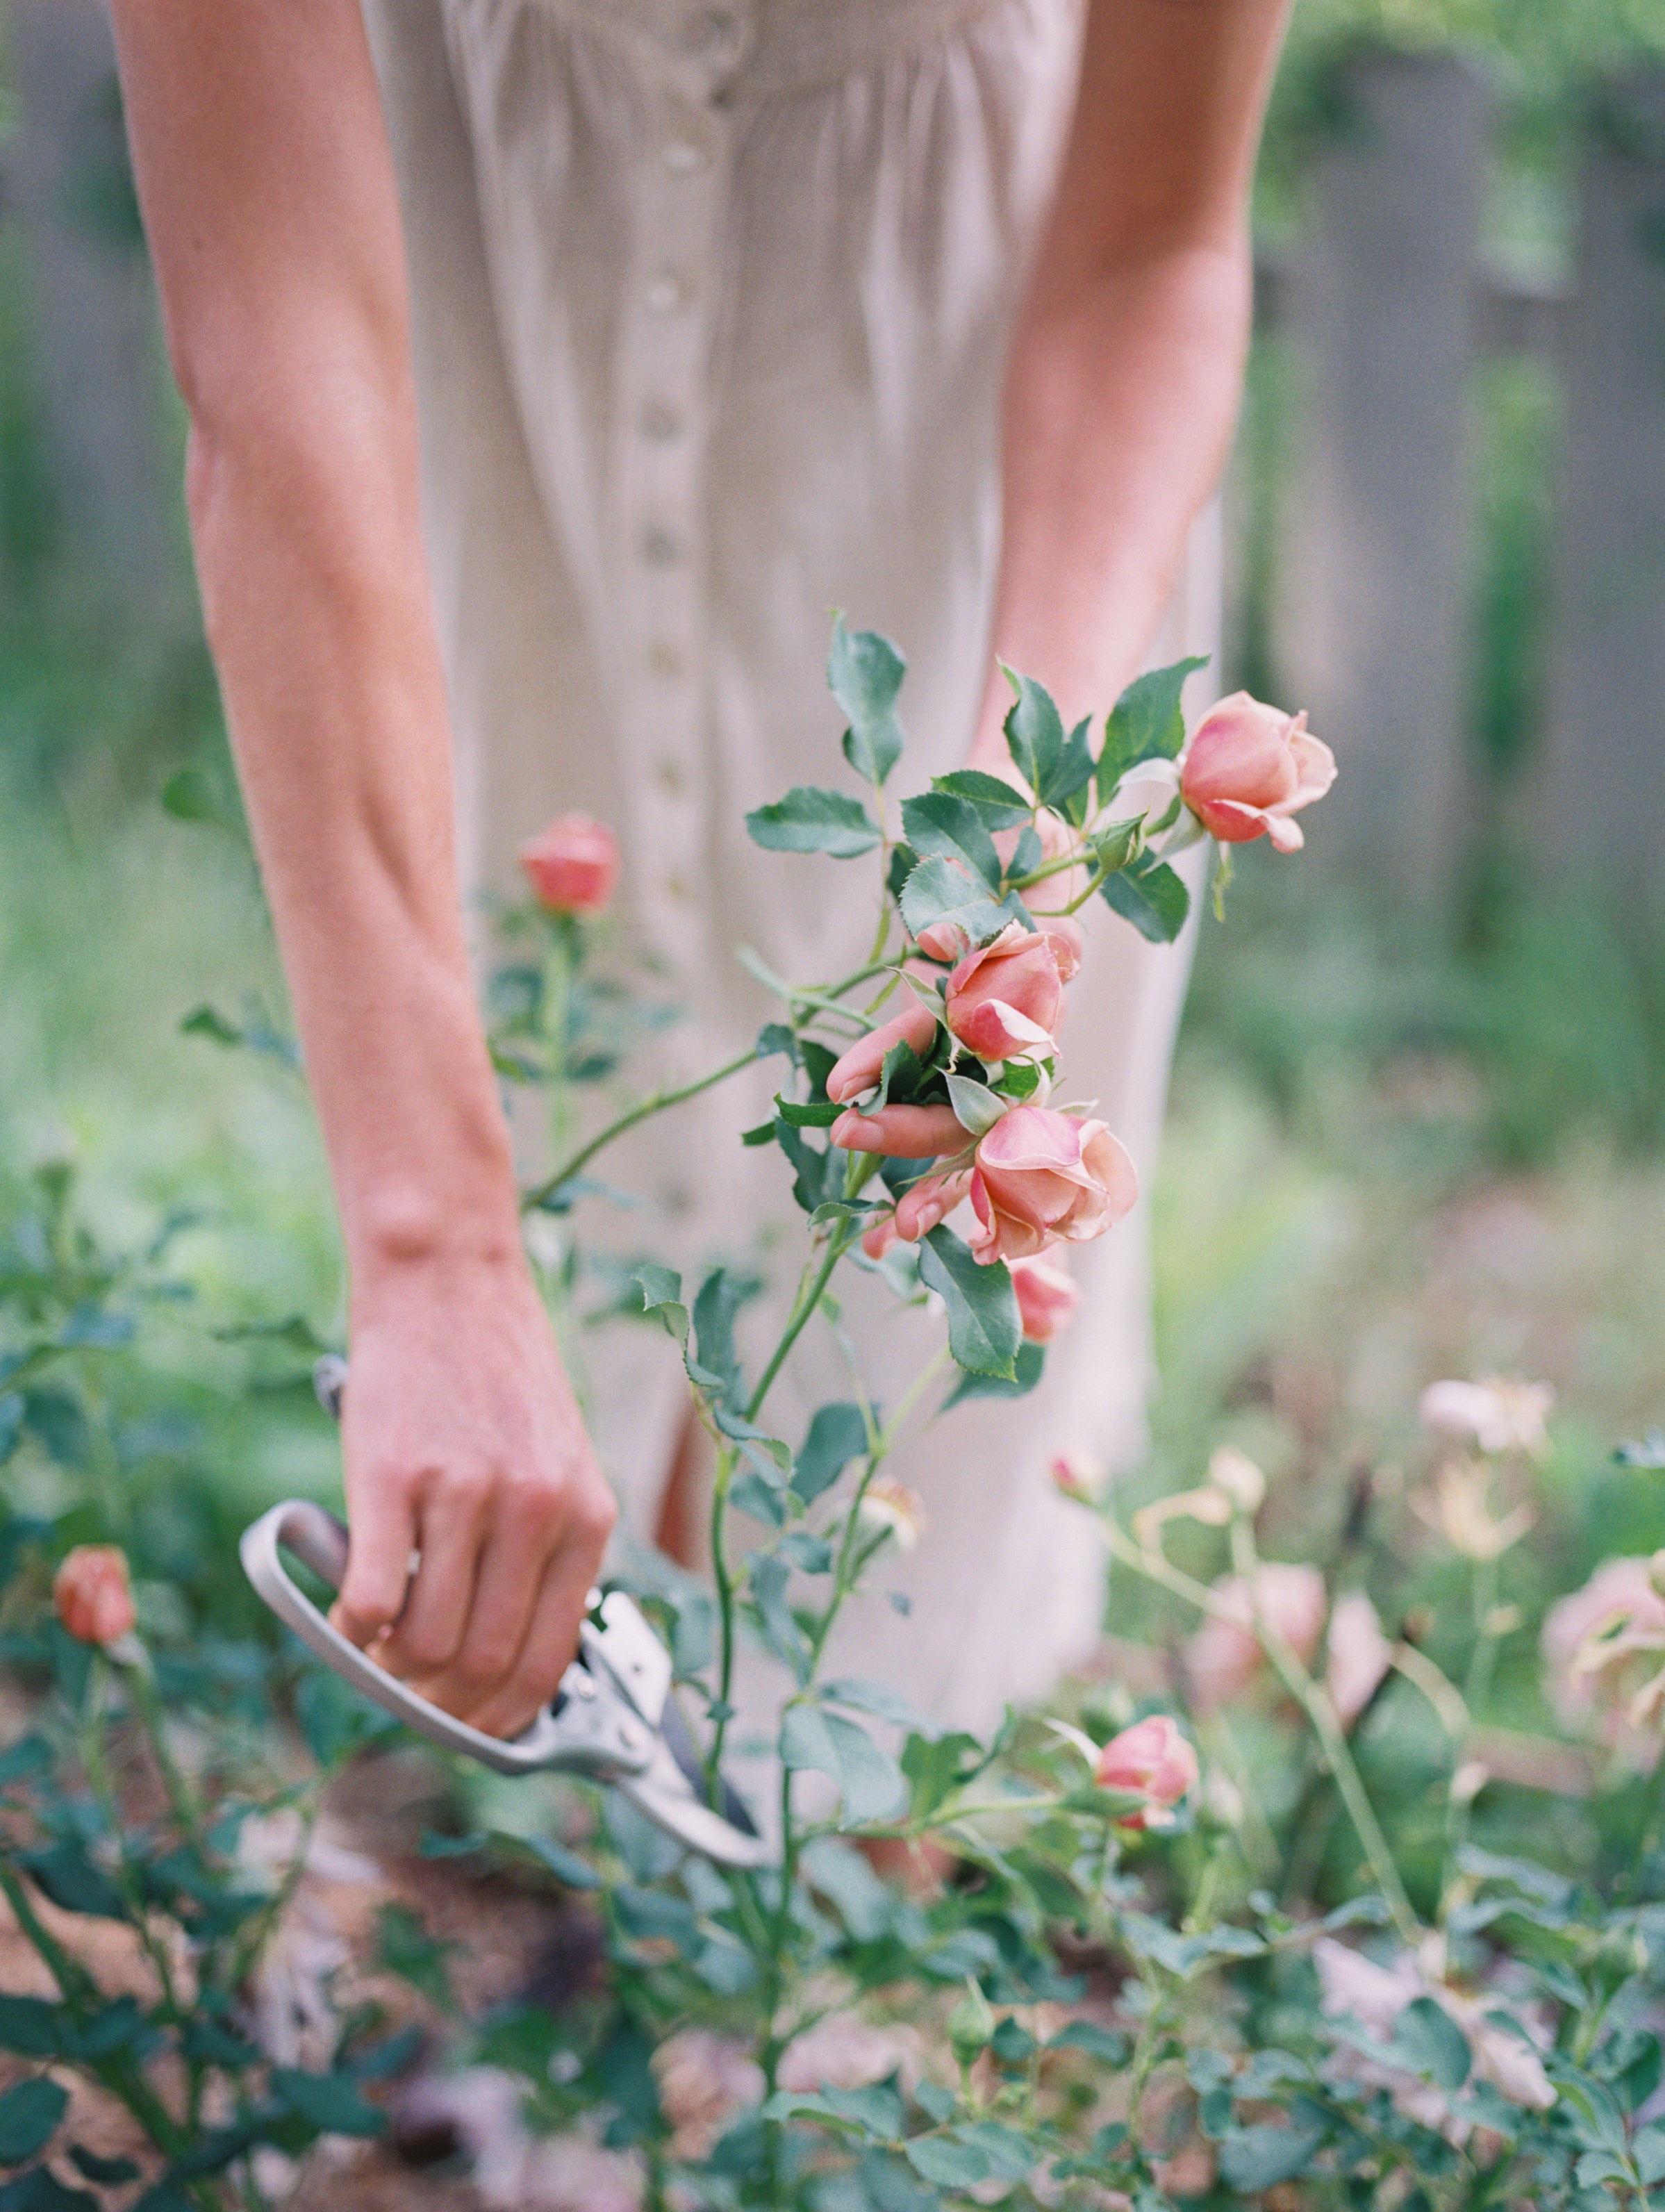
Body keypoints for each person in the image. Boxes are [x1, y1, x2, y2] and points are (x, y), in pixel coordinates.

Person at [108, 0, 1293, 1755]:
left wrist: (1018, 821)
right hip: (477, 399)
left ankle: (847, 1845)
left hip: (970, 476)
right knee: (539, 1162)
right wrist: (430, 1249)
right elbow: (274, 325)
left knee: (901, 1412)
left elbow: (1149, 249)